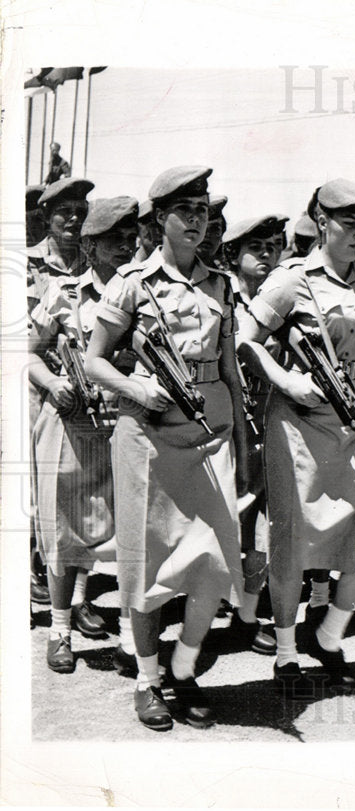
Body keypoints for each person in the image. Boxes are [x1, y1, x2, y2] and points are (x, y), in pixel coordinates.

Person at [85, 166, 247, 732]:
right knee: (148, 565)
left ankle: (183, 666)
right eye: (186, 210)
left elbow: (229, 371)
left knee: (219, 559)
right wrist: (135, 387)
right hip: (148, 437)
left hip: (210, 436)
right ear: (160, 220)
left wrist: (242, 445)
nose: (198, 220)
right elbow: (94, 358)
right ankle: (148, 680)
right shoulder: (130, 282)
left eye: (204, 209)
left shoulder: (222, 284)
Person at [237, 179, 355, 696]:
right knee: (292, 543)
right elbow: (245, 342)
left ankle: (327, 636)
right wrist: (284, 380)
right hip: (301, 425)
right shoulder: (292, 281)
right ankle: (286, 653)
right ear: (321, 222)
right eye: (347, 224)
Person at [28, 197, 139, 675]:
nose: (125, 246)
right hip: (72, 423)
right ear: (90, 246)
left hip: (128, 425)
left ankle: (133, 641)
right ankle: (59, 630)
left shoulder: (143, 293)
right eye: (114, 239)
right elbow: (29, 354)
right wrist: (53, 382)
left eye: (131, 237)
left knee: (132, 530)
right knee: (64, 526)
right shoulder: (64, 293)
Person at [218, 214, 290, 656]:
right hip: (225, 424)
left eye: (274, 246)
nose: (267, 254)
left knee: (263, 523)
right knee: (225, 516)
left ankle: (247, 615)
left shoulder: (283, 301)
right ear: (233, 254)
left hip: (270, 418)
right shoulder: (220, 296)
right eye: (256, 247)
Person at [27, 178, 93, 311]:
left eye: (80, 212)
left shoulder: (92, 264)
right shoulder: (27, 262)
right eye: (65, 211)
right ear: (47, 216)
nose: (75, 218)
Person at [196, 194, 228, 267]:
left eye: (215, 229)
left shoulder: (225, 277)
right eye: (202, 227)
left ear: (221, 238)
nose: (208, 234)